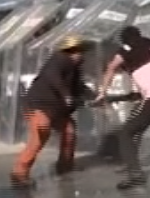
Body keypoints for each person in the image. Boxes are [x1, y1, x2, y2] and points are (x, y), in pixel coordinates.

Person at [97, 25, 150, 190]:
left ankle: (135, 175)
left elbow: (111, 67)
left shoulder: (127, 48)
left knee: (125, 133)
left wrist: (102, 92)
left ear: (124, 40)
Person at [10, 35, 92, 186]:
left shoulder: (74, 69)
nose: (80, 55)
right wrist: (66, 95)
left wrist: (94, 96)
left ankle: (65, 166)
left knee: (69, 131)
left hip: (56, 110)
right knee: (40, 135)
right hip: (38, 105)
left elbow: (80, 87)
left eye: (81, 51)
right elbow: (52, 77)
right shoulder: (59, 59)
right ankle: (19, 174)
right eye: (77, 51)